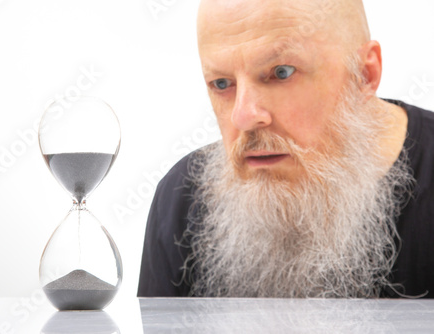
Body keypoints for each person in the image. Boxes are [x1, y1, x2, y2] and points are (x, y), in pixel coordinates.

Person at [138, 0, 434, 298]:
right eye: (222, 83)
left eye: (281, 72)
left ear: (364, 75)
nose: (243, 116)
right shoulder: (181, 199)